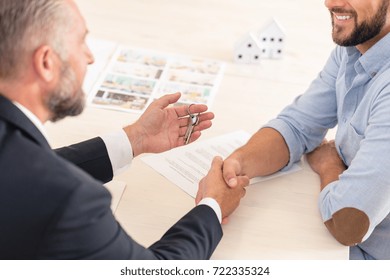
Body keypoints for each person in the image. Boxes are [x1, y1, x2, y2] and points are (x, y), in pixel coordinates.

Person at [0, 0, 249, 259]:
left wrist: (135, 139)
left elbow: (23, 171)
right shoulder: (71, 201)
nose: (90, 56)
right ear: (46, 63)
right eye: (81, 42)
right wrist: (214, 205)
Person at [215, 0, 390, 260]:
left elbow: (348, 224)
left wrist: (329, 166)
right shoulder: (356, 44)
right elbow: (298, 126)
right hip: (331, 239)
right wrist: (237, 163)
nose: (330, 3)